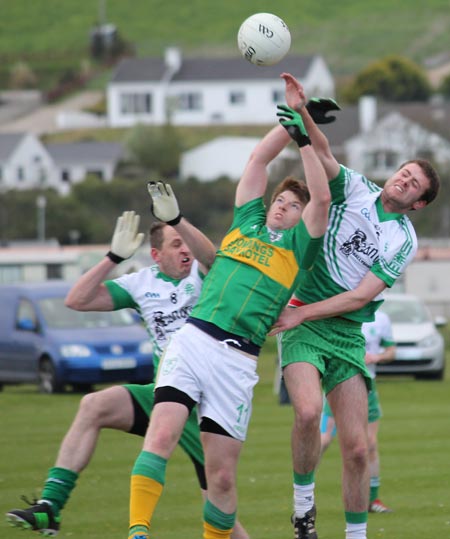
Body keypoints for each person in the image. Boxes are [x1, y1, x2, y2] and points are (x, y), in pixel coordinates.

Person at [125, 73, 331, 539]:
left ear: (302, 219)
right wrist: (291, 119)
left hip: (238, 363)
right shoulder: (245, 223)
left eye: (290, 205)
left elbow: (321, 196)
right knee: (161, 437)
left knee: (220, 479)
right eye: (279, 200)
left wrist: (305, 133)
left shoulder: (300, 250)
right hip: (194, 340)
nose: (281, 206)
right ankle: (137, 532)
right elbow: (258, 158)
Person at [6, 211, 249, 539]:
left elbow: (210, 255)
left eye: (187, 242)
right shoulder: (141, 283)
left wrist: (177, 221)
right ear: (155, 254)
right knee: (94, 405)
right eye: (176, 244)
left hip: (208, 405)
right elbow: (77, 299)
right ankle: (52, 505)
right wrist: (113, 257)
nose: (185, 250)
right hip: (167, 394)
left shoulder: (205, 275)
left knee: (223, 518)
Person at [269, 73, 440, 539]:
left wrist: (303, 313)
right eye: (403, 172)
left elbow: (363, 296)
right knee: (306, 413)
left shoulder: (402, 238)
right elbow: (323, 154)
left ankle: (356, 535)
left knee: (359, 449)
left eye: (412, 184)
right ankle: (303, 508)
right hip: (304, 320)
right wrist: (301, 111)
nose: (402, 180)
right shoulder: (357, 188)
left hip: (343, 332)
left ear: (418, 203)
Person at [320, 309, 396, 513]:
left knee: (370, 444)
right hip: (339, 383)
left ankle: (373, 500)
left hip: (368, 387)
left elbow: (391, 351)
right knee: (325, 439)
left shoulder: (382, 318)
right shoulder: (343, 309)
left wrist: (377, 357)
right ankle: (303, 489)